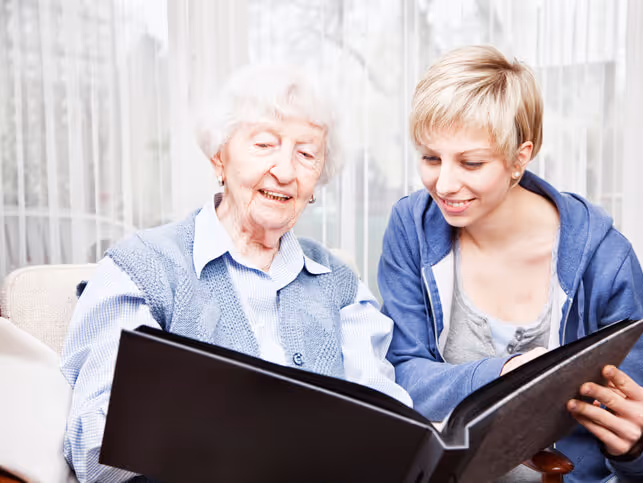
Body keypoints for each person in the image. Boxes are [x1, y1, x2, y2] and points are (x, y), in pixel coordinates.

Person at [61, 64, 411, 483]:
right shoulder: (140, 269)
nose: (284, 171)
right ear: (219, 157)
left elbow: (388, 427)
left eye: (306, 153)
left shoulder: (339, 285)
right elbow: (94, 448)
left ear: (319, 177)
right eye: (264, 144)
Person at [378, 45, 643, 482]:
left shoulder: (604, 258)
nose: (444, 183)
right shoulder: (413, 228)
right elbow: (401, 376)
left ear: (519, 158)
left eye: (471, 162)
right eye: (431, 158)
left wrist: (639, 442)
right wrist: (502, 376)